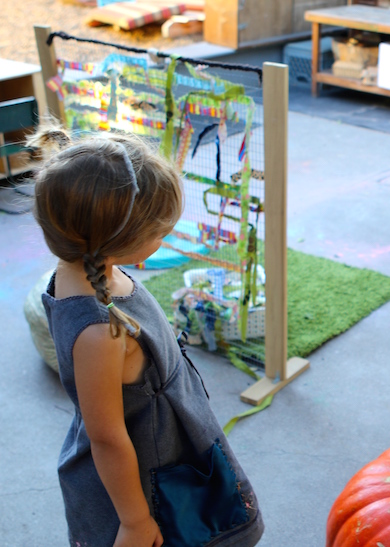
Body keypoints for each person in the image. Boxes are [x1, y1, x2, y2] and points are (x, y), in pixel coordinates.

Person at [33, 127, 265, 546]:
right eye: (160, 234)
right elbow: (107, 438)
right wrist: (136, 520)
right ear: (115, 240)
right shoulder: (99, 332)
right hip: (149, 469)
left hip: (166, 434)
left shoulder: (87, 266)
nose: (165, 239)